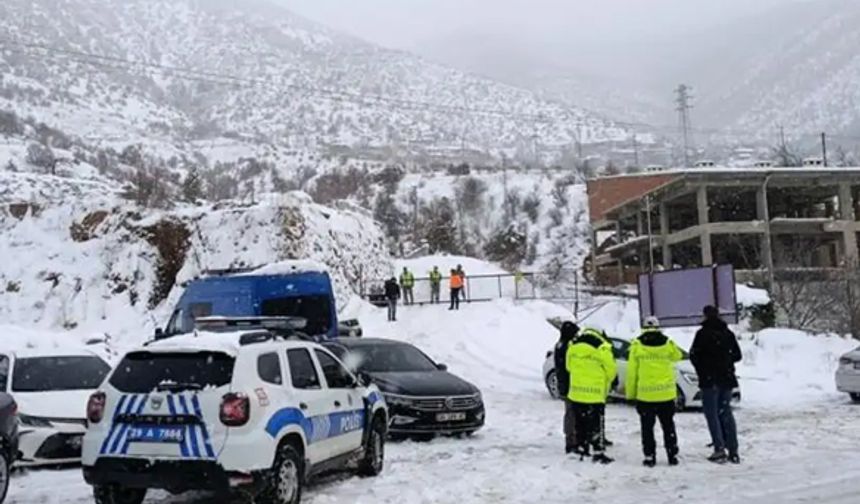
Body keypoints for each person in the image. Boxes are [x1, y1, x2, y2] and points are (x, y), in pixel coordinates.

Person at [626, 316, 683, 467]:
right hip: (666, 394)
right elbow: (678, 355)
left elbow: (632, 373)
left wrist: (631, 394)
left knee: (647, 428)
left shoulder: (637, 345)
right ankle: (672, 454)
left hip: (646, 396)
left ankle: (649, 456)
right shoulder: (668, 343)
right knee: (668, 426)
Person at [690, 305, 743, 464]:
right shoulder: (727, 333)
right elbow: (737, 355)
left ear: (705, 315)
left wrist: (703, 368)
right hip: (726, 379)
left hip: (709, 381)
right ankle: (733, 449)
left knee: (712, 415)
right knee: (726, 413)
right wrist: (725, 361)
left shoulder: (702, 334)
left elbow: (694, 355)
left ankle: (719, 448)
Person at [567, 326, 617, 464]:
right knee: (596, 425)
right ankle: (598, 452)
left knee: (580, 423)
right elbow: (611, 370)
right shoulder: (602, 348)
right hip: (595, 395)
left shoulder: (573, 347)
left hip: (576, 393)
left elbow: (568, 367)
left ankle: (582, 448)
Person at [554, 321, 580, 454]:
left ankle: (572, 439)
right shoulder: (567, 347)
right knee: (572, 414)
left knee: (571, 413)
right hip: (569, 385)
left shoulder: (560, 345)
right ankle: (571, 441)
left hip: (564, 384)